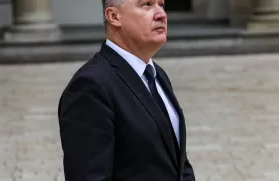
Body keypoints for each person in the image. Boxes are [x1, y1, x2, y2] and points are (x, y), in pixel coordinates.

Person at [57, 0, 196, 180]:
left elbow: (178, 163)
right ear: (114, 17)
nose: (161, 14)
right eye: (147, 4)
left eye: (161, 4)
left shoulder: (156, 74)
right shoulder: (91, 86)